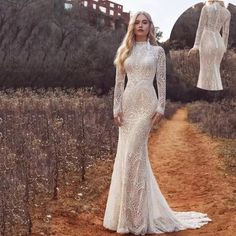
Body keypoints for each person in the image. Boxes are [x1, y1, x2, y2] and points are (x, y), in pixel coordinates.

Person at [103, 11, 211, 235]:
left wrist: (161, 106)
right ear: (132, 26)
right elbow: (119, 81)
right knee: (127, 156)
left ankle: (138, 220)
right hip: (129, 104)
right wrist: (116, 108)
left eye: (145, 22)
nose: (141, 26)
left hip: (147, 106)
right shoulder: (125, 50)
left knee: (134, 153)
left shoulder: (158, 51)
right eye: (137, 23)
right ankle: (126, 218)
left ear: (150, 26)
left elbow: (161, 81)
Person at [188, 0, 231, 90]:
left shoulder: (206, 8)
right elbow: (226, 33)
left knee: (205, 71)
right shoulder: (227, 12)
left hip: (207, 40)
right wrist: (224, 48)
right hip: (219, 43)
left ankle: (206, 94)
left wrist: (196, 45)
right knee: (215, 69)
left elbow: (200, 28)